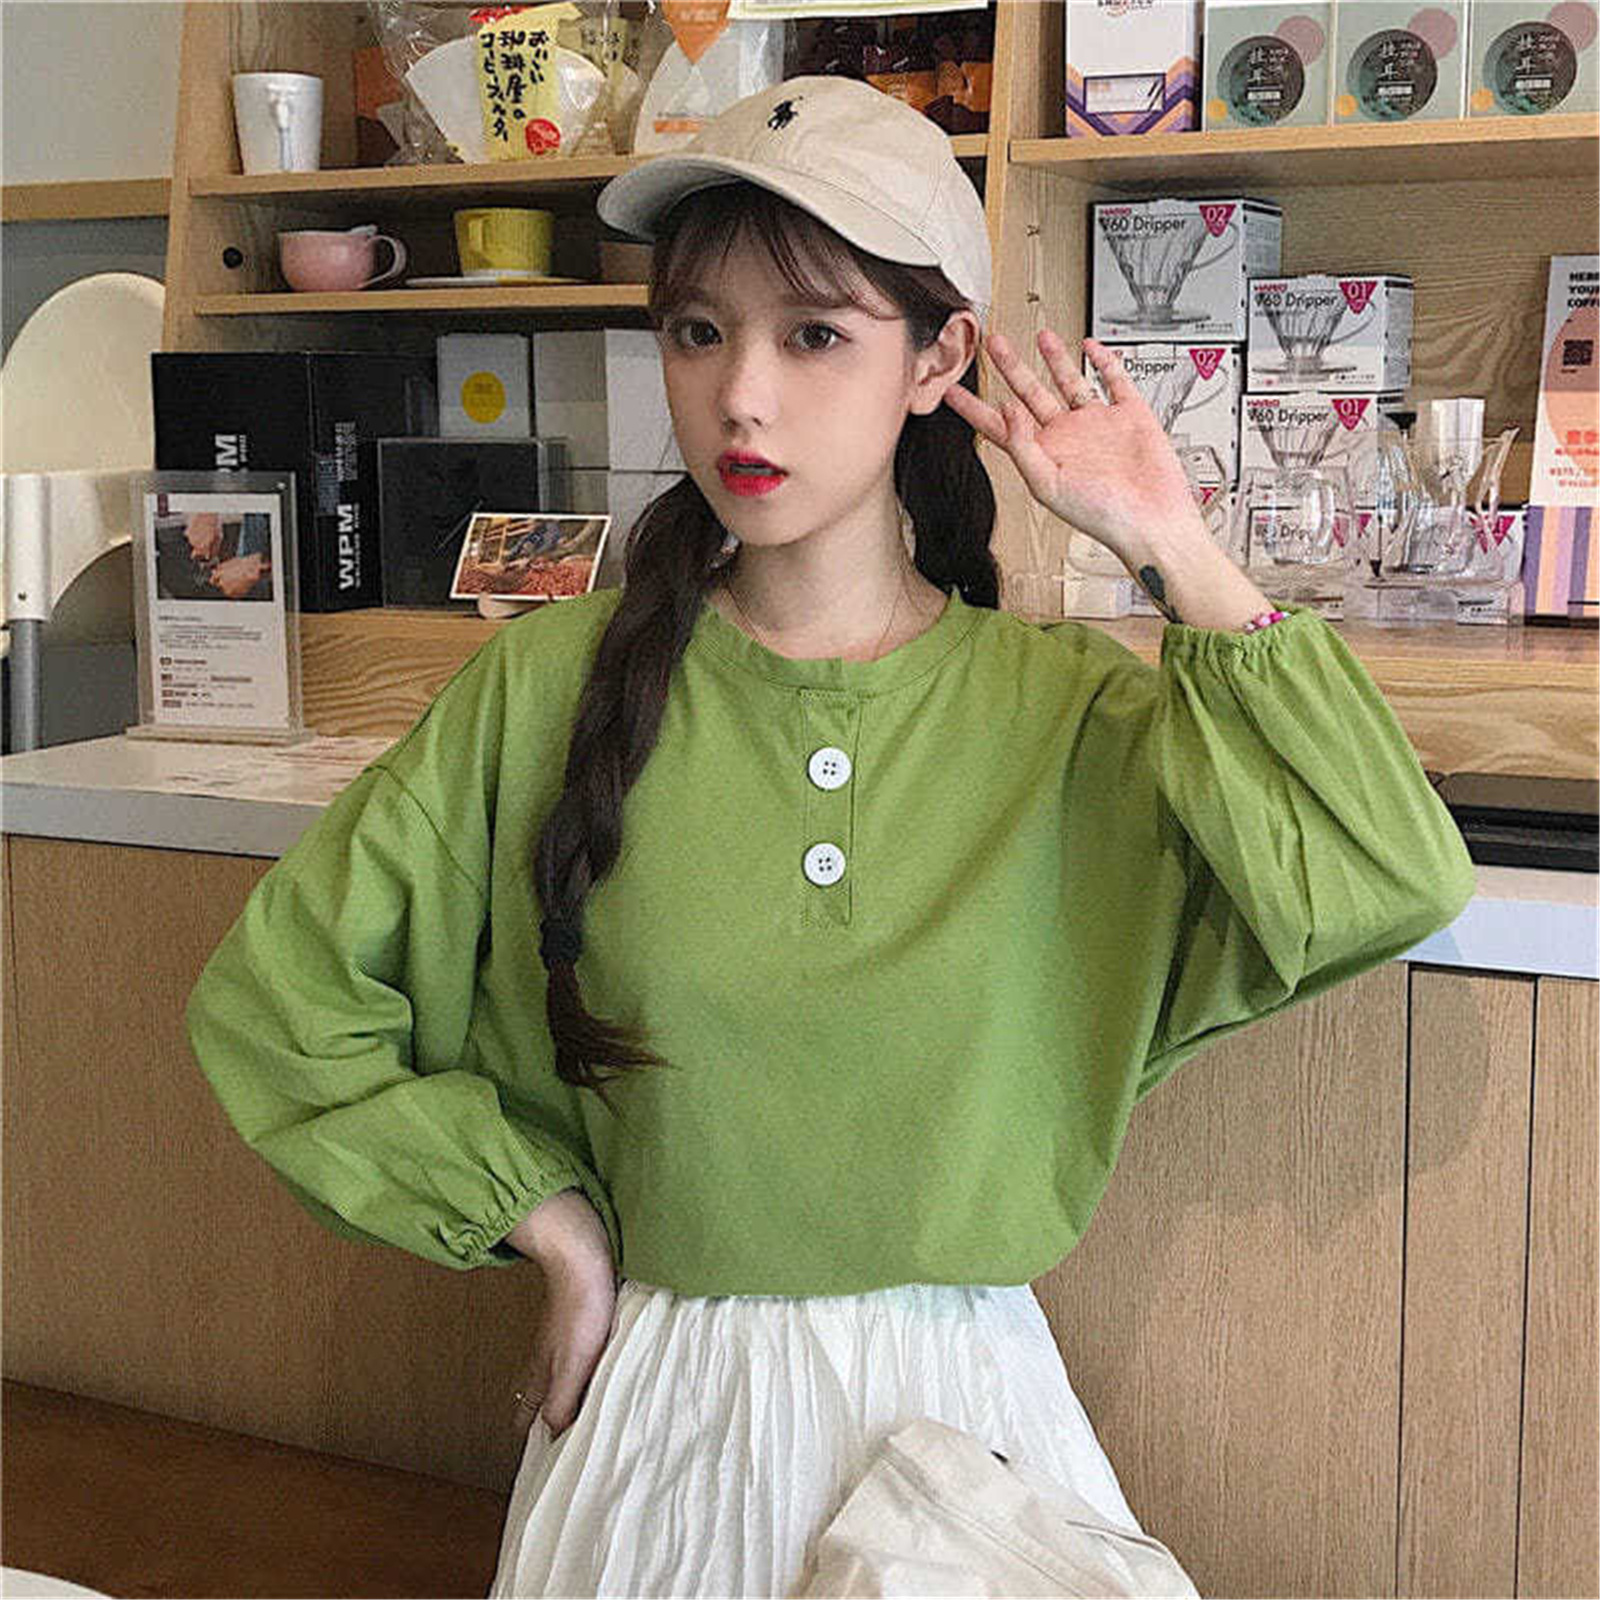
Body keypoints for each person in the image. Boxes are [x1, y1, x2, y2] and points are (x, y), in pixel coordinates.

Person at [184, 74, 1477, 1598]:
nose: (741, 395)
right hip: (655, 1419)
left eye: (813, 335)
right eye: (697, 331)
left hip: (966, 1431)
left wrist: (1169, 540)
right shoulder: (545, 687)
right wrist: (546, 1224)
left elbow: (1386, 879)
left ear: (939, 357)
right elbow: (284, 1005)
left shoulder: (1073, 714)